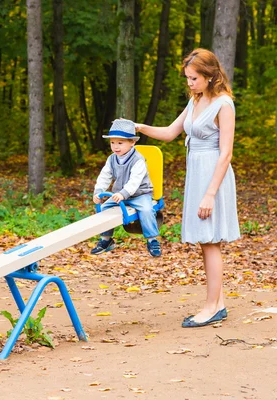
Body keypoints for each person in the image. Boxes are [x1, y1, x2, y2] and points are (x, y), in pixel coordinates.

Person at [134, 48, 239, 328]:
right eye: (187, 78)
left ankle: (211, 307)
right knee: (205, 241)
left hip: (213, 176)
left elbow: (226, 153)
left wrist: (210, 194)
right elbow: (170, 133)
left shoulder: (224, 104)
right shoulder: (195, 101)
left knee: (211, 239)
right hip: (197, 172)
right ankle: (217, 303)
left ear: (209, 75)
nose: (189, 83)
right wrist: (138, 127)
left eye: (194, 78)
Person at [92, 119, 162, 258]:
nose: (115, 147)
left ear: (132, 142)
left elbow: (134, 181)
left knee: (147, 210)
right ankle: (106, 240)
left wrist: (124, 193)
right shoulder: (112, 159)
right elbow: (105, 175)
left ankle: (152, 240)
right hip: (120, 195)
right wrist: (99, 191)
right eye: (112, 142)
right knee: (105, 208)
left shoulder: (138, 160)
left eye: (120, 143)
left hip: (139, 194)